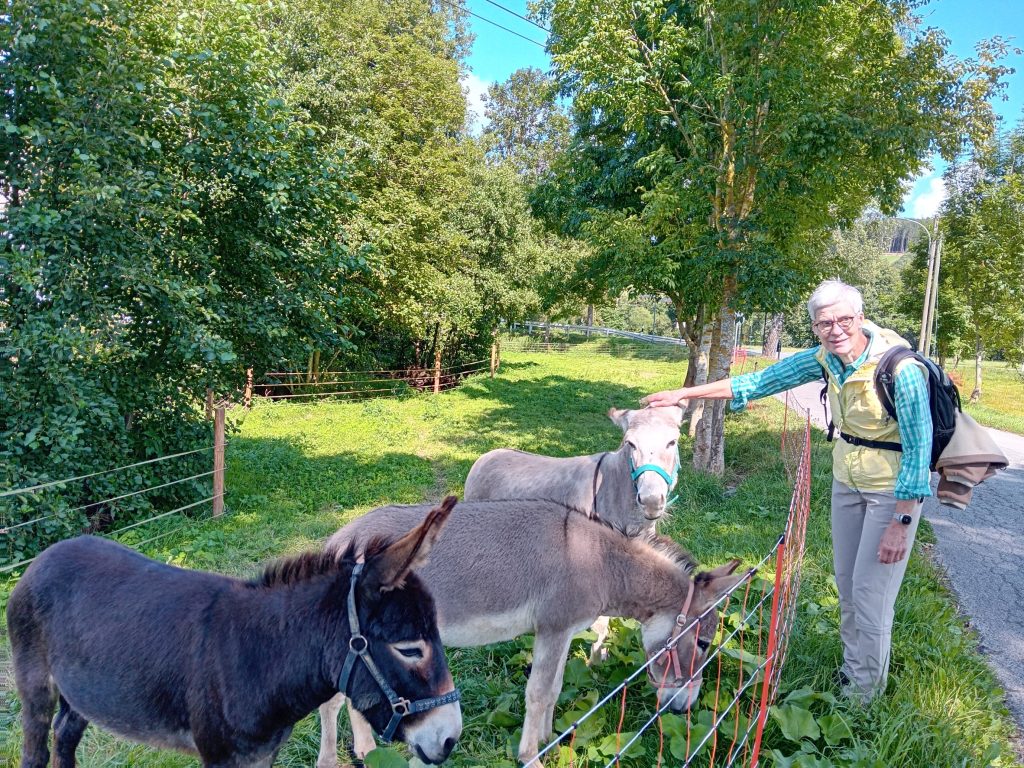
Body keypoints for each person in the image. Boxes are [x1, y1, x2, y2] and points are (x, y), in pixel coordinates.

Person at [642, 279, 932, 703]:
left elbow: (919, 450)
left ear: (860, 318)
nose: (835, 329)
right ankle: (856, 673)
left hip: (892, 493)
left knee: (872, 596)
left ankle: (865, 700)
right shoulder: (826, 359)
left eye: (843, 320)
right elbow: (757, 383)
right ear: (815, 327)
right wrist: (685, 393)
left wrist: (902, 522)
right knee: (849, 586)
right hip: (847, 484)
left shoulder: (901, 371)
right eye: (823, 323)